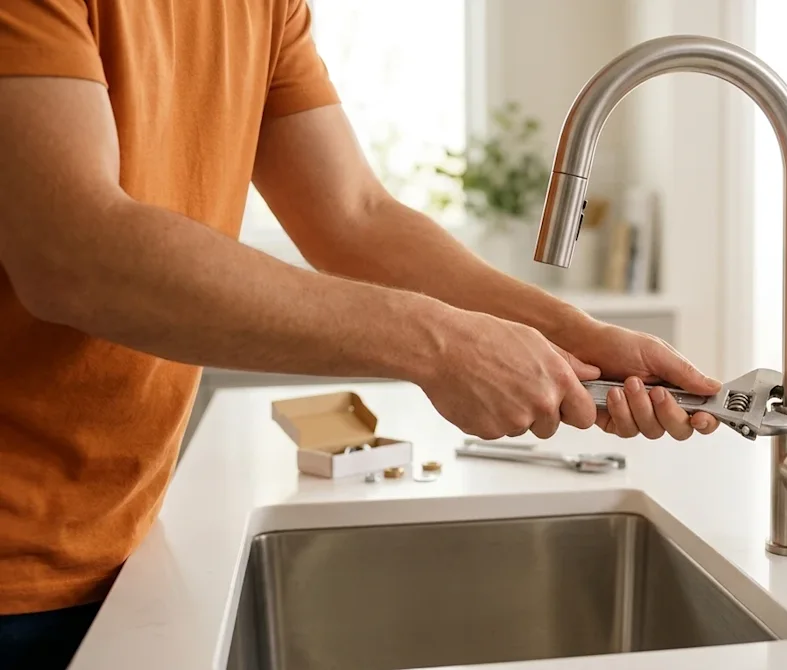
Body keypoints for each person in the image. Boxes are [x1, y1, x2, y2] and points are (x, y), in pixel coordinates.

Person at [0, 2, 722, 667]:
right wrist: (440, 345)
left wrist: (575, 335)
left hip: (119, 545)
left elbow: (355, 215)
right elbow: (72, 250)